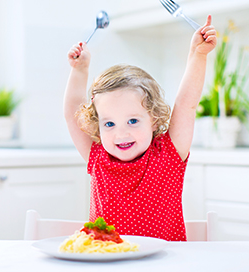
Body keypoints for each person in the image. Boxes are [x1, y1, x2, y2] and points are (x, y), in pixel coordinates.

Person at [64, 15, 217, 241]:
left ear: (154, 118)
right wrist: (79, 70)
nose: (121, 133)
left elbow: (187, 104)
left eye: (133, 121)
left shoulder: (169, 154)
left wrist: (198, 54)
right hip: (109, 261)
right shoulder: (98, 157)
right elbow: (72, 115)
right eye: (109, 123)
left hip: (165, 262)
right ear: (97, 125)